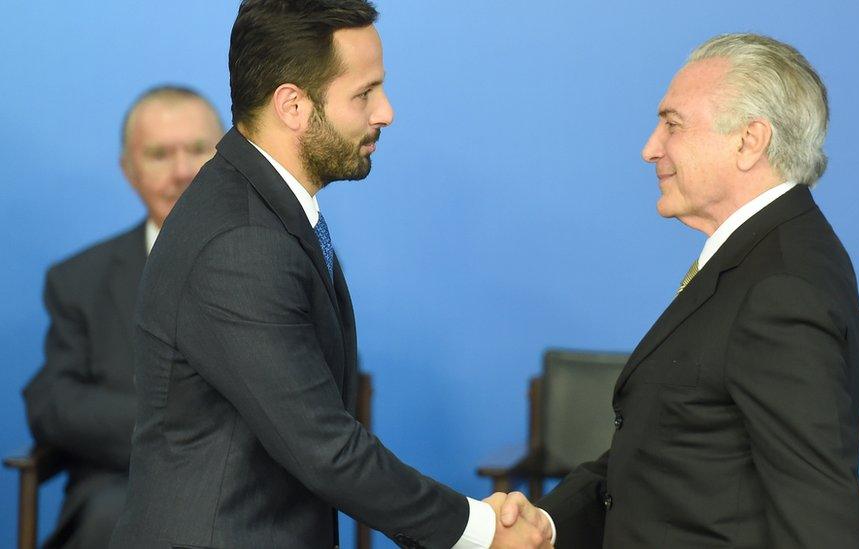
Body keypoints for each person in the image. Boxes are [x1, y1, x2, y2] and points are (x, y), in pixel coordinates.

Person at [109, 2, 548, 548]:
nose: (385, 112)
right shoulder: (242, 242)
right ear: (293, 105)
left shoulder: (262, 208)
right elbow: (325, 449)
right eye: (364, 93)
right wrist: (481, 531)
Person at [498, 33, 859, 548]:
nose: (651, 148)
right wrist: (549, 525)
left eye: (672, 124)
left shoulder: (781, 288)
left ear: (749, 141)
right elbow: (666, 448)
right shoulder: (759, 257)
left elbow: (820, 517)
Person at [21, 85, 223, 549]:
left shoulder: (289, 265)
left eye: (198, 150)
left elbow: (326, 392)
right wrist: (172, 429)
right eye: (158, 155)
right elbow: (54, 401)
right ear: (128, 170)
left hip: (252, 491)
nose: (182, 172)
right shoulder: (78, 280)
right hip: (123, 486)